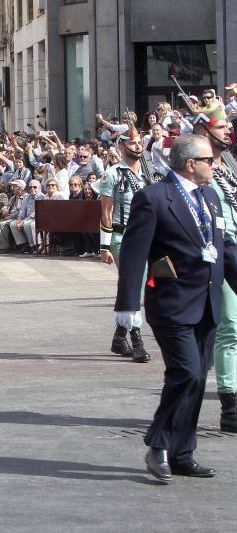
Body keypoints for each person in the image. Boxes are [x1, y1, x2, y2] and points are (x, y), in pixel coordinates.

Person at [116, 134, 237, 482]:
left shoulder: (210, 196)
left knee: (196, 381)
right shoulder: (153, 198)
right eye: (209, 160)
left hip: (207, 302)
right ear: (190, 164)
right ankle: (158, 442)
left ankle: (183, 453)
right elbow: (135, 253)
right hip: (171, 304)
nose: (214, 165)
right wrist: (126, 305)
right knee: (187, 373)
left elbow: (223, 250)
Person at [193, 105, 237, 432]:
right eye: (221, 127)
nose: (227, 131)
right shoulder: (196, 168)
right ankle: (230, 406)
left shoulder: (230, 163)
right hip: (219, 253)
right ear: (205, 131)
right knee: (230, 327)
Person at [100, 125, 153, 363]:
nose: (137, 145)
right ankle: (137, 339)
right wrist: (105, 246)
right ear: (122, 146)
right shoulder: (112, 174)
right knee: (135, 286)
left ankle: (120, 336)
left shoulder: (149, 172)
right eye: (132, 143)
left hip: (149, 237)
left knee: (141, 286)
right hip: (124, 238)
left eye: (140, 141)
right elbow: (106, 212)